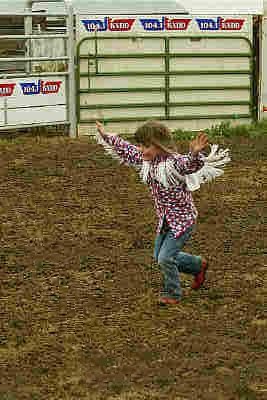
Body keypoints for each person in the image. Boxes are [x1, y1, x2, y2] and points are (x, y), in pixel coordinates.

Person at [95, 120, 228, 306]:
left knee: (165, 258)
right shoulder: (146, 160)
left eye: (146, 145)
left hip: (183, 221)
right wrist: (105, 135)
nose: (141, 149)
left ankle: (173, 293)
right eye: (141, 144)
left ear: (159, 145)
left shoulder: (174, 163)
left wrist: (195, 153)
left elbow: (189, 164)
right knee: (160, 257)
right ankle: (198, 265)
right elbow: (126, 149)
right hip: (166, 220)